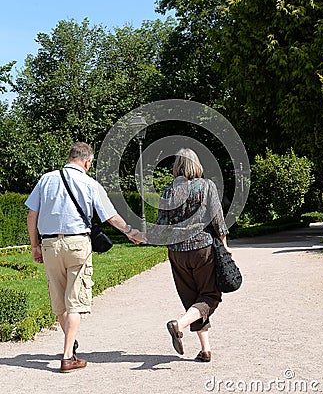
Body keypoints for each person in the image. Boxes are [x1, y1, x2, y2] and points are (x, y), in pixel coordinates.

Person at [26, 142, 145, 373]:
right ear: (87, 161)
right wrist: (130, 233)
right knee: (75, 302)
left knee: (59, 300)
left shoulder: (46, 180)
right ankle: (68, 356)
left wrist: (35, 246)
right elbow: (110, 216)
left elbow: (32, 215)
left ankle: (70, 340)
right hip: (77, 244)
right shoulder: (90, 183)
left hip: (50, 244)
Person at [148, 148, 232, 363]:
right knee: (210, 296)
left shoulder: (168, 192)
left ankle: (205, 350)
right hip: (202, 248)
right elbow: (217, 219)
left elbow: (161, 224)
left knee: (193, 300)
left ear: (177, 167)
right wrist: (225, 245)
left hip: (176, 252)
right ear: (196, 165)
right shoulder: (207, 186)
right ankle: (179, 325)